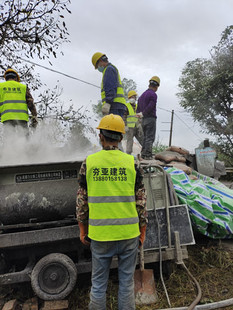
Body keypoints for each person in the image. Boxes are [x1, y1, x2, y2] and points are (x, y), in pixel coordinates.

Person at [76, 113, 147, 310]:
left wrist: (83, 229)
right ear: (121, 138)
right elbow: (141, 201)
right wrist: (143, 230)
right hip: (128, 235)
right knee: (126, 284)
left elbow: (82, 202)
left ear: (100, 136)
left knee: (98, 285)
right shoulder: (132, 163)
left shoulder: (89, 163)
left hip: (100, 236)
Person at [0, 68, 38, 134]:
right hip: (22, 119)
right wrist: (34, 118)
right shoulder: (23, 87)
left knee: (9, 141)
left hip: (7, 119)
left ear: (6, 78)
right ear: (16, 78)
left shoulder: (1, 87)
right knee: (25, 141)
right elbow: (30, 103)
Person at [91, 52, 127, 118]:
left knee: (113, 127)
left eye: (97, 65)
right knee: (116, 126)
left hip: (114, 105)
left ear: (101, 61)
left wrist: (108, 102)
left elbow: (110, 87)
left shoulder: (109, 69)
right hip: (118, 105)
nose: (98, 68)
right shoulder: (111, 68)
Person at [137, 76, 160, 160]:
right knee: (150, 137)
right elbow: (151, 105)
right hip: (150, 118)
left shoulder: (142, 95)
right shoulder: (153, 94)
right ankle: (147, 155)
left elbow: (138, 107)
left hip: (143, 120)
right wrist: (144, 113)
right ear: (156, 86)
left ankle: (143, 153)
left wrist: (140, 115)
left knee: (145, 137)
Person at [125, 90, 144, 155]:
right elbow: (124, 116)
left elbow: (139, 117)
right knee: (129, 142)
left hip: (137, 127)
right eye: (132, 97)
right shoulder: (126, 106)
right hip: (129, 128)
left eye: (134, 97)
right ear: (129, 98)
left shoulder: (137, 106)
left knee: (142, 141)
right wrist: (125, 125)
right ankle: (128, 155)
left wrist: (140, 124)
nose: (133, 98)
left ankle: (145, 154)